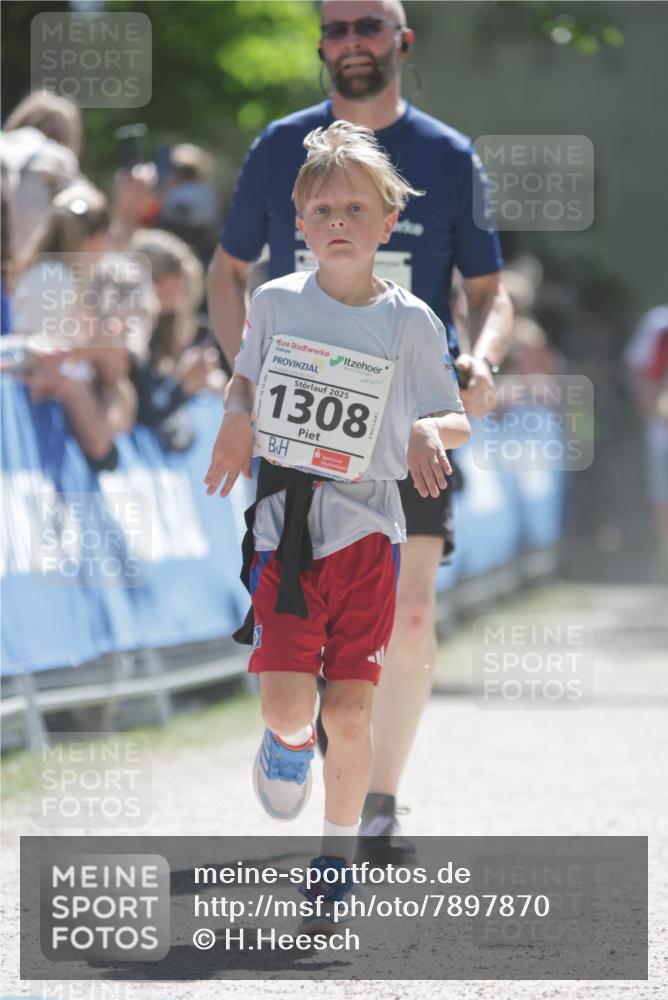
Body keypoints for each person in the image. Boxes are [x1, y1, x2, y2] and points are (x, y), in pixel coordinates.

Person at [207, 0, 513, 861]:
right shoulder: (282, 148)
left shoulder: (449, 158)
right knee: (299, 652)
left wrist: (480, 362)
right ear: (321, 46)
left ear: (400, 43)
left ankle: (373, 798)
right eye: (335, 29)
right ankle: (303, 744)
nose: (351, 43)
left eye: (367, 27)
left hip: (407, 426)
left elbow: (491, 292)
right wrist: (255, 396)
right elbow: (227, 273)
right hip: (300, 458)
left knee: (410, 616)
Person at [204, 121, 469, 928]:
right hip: (286, 526)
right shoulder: (275, 301)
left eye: (356, 208)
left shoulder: (410, 320)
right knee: (291, 709)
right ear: (299, 226)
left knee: (349, 713)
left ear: (388, 225)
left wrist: (429, 431)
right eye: (322, 210)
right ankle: (285, 746)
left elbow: (452, 416)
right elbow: (243, 386)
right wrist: (235, 418)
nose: (338, 223)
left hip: (368, 537)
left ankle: (334, 859)